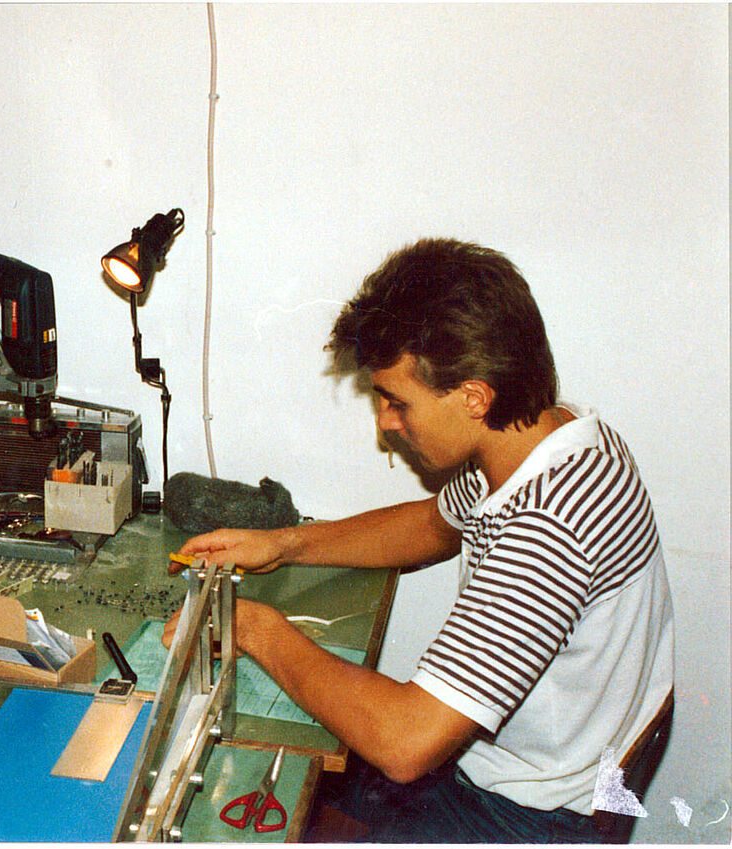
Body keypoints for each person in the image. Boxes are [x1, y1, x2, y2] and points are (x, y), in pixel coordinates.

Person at [169, 238, 674, 842]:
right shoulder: (545, 441)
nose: (386, 421)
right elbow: (433, 525)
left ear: (473, 398)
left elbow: (405, 742)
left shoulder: (548, 526)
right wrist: (285, 544)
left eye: (397, 401)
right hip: (533, 767)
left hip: (530, 815)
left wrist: (255, 628)